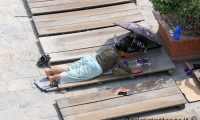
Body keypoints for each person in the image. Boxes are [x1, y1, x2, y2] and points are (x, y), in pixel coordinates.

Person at [45, 43, 143, 85]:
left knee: (70, 68)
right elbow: (122, 66)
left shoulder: (110, 48)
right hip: (95, 67)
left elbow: (112, 56)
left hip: (91, 58)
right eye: (124, 52)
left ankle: (50, 71)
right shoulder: (117, 57)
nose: (125, 54)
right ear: (121, 51)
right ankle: (53, 78)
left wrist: (122, 55)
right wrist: (131, 70)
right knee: (75, 75)